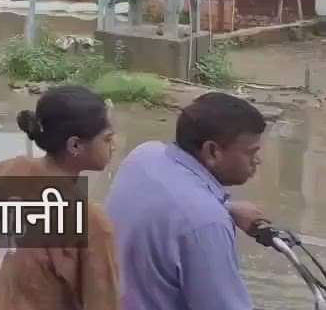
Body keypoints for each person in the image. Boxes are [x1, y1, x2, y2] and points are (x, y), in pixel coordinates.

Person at [0, 86, 120, 310]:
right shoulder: (92, 223)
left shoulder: (2, 174)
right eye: (107, 139)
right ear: (75, 145)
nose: (114, 146)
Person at [104, 92, 269, 310]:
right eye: (251, 152)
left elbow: (176, 200)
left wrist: (226, 206)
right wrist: (215, 211)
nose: (257, 160)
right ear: (212, 151)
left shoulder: (144, 155)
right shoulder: (207, 222)